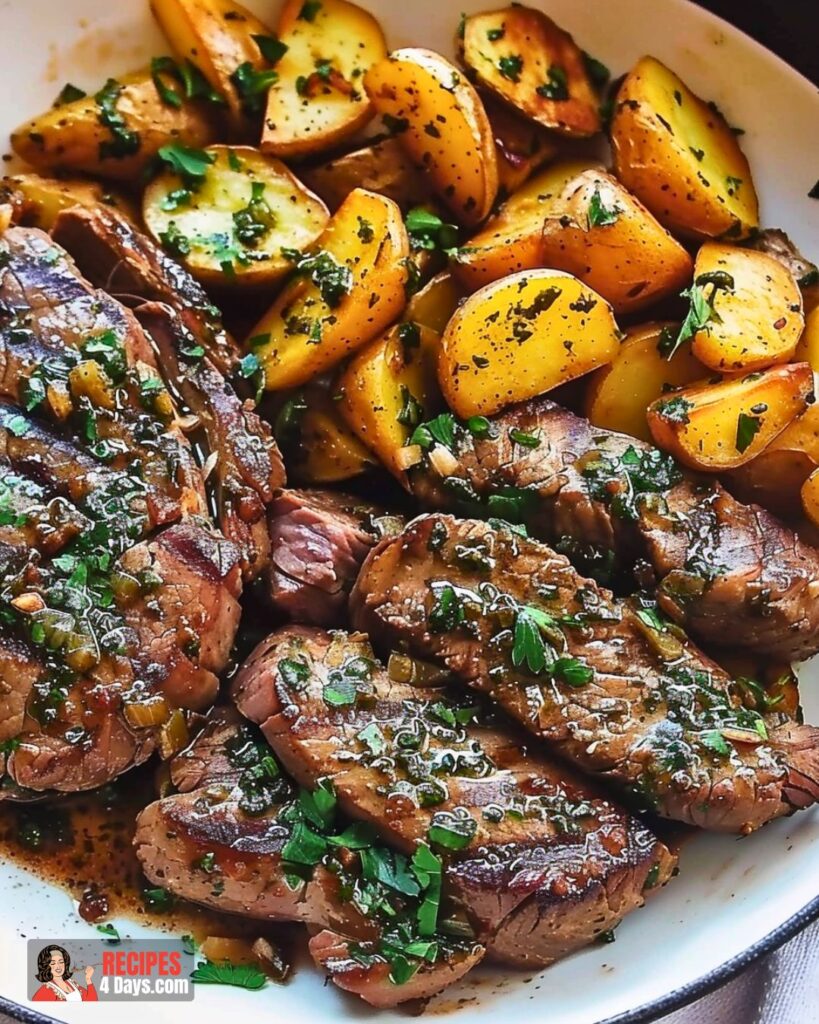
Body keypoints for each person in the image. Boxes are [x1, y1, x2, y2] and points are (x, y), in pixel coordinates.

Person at [32, 944, 97, 1002]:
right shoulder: (46, 990)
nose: (58, 966)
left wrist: (88, 979)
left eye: (61, 962)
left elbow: (91, 1001)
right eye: (53, 963)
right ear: (46, 966)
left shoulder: (71, 983)